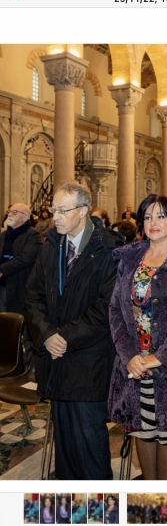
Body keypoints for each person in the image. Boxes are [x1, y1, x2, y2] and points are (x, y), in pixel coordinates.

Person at [25, 182, 121, 480]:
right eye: (54, 209)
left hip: (88, 360)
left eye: (62, 210)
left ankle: (101, 513)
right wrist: (47, 335)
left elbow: (107, 308)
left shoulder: (108, 249)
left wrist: (64, 337)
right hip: (55, 358)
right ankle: (71, 508)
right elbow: (33, 296)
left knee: (89, 443)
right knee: (65, 443)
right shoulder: (51, 245)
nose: (55, 216)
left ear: (82, 211)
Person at [108, 193, 167, 480]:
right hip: (134, 363)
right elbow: (115, 309)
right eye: (148, 216)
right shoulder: (129, 258)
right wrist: (129, 356)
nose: (153, 222)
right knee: (141, 427)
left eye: (161, 216)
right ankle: (149, 499)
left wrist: (158, 358)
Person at [0, 203, 42, 366]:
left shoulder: (32, 235)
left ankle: (26, 364)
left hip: (20, 287)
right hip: (3, 287)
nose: (10, 214)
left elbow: (26, 258)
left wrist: (2, 270)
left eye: (15, 212)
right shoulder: (4, 235)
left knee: (23, 327)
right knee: (4, 325)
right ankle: (6, 360)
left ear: (25, 217)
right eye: (9, 212)